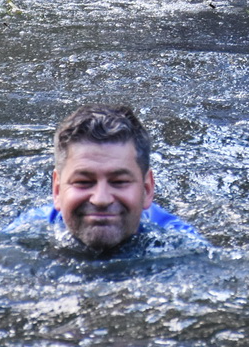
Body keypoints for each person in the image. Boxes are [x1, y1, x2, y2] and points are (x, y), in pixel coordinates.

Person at [40, 103, 198, 254]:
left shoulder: (186, 246)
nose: (101, 199)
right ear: (57, 190)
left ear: (147, 189)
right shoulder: (26, 232)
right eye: (83, 182)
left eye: (119, 182)